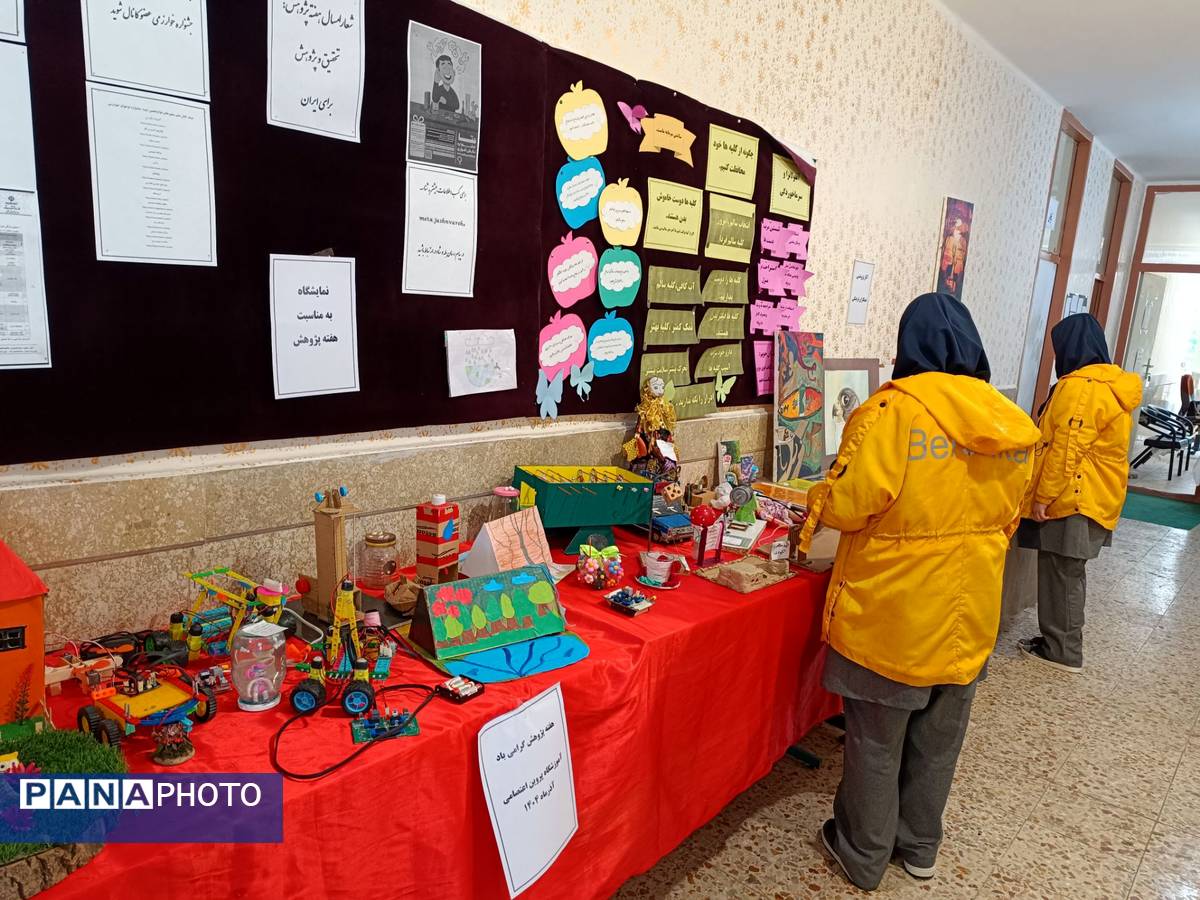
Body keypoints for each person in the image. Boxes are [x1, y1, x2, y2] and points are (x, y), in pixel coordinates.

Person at [798, 293, 1040, 891]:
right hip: (970, 614)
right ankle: (920, 847)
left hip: (894, 614)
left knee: (876, 742)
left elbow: (849, 505)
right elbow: (1012, 515)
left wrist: (816, 497)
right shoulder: (1010, 422)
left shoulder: (893, 412)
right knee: (938, 741)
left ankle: (862, 852)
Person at [1018, 313, 1142, 672]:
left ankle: (1063, 651)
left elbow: (1066, 449)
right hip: (1095, 495)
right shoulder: (1109, 384)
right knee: (1065, 572)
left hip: (1073, 497)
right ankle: (1057, 641)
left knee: (1062, 573)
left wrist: (1044, 495)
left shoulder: (1082, 387)